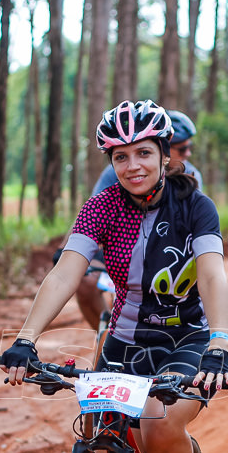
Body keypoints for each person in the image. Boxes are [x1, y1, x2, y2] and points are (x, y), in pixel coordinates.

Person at [0, 100, 228, 453]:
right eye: (120, 157)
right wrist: (26, 339)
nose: (132, 166)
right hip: (123, 343)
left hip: (186, 341)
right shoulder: (103, 207)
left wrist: (220, 344)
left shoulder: (194, 206)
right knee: (98, 436)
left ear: (165, 154)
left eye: (143, 153)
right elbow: (66, 273)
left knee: (158, 422)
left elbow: (212, 275)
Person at [75, 110, 205, 332]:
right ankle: (105, 333)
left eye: (144, 153)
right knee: (85, 283)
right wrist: (67, 249)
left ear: (162, 150)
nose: (188, 153)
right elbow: (90, 214)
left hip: (165, 251)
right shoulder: (115, 172)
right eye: (182, 148)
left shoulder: (191, 178)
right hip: (118, 245)